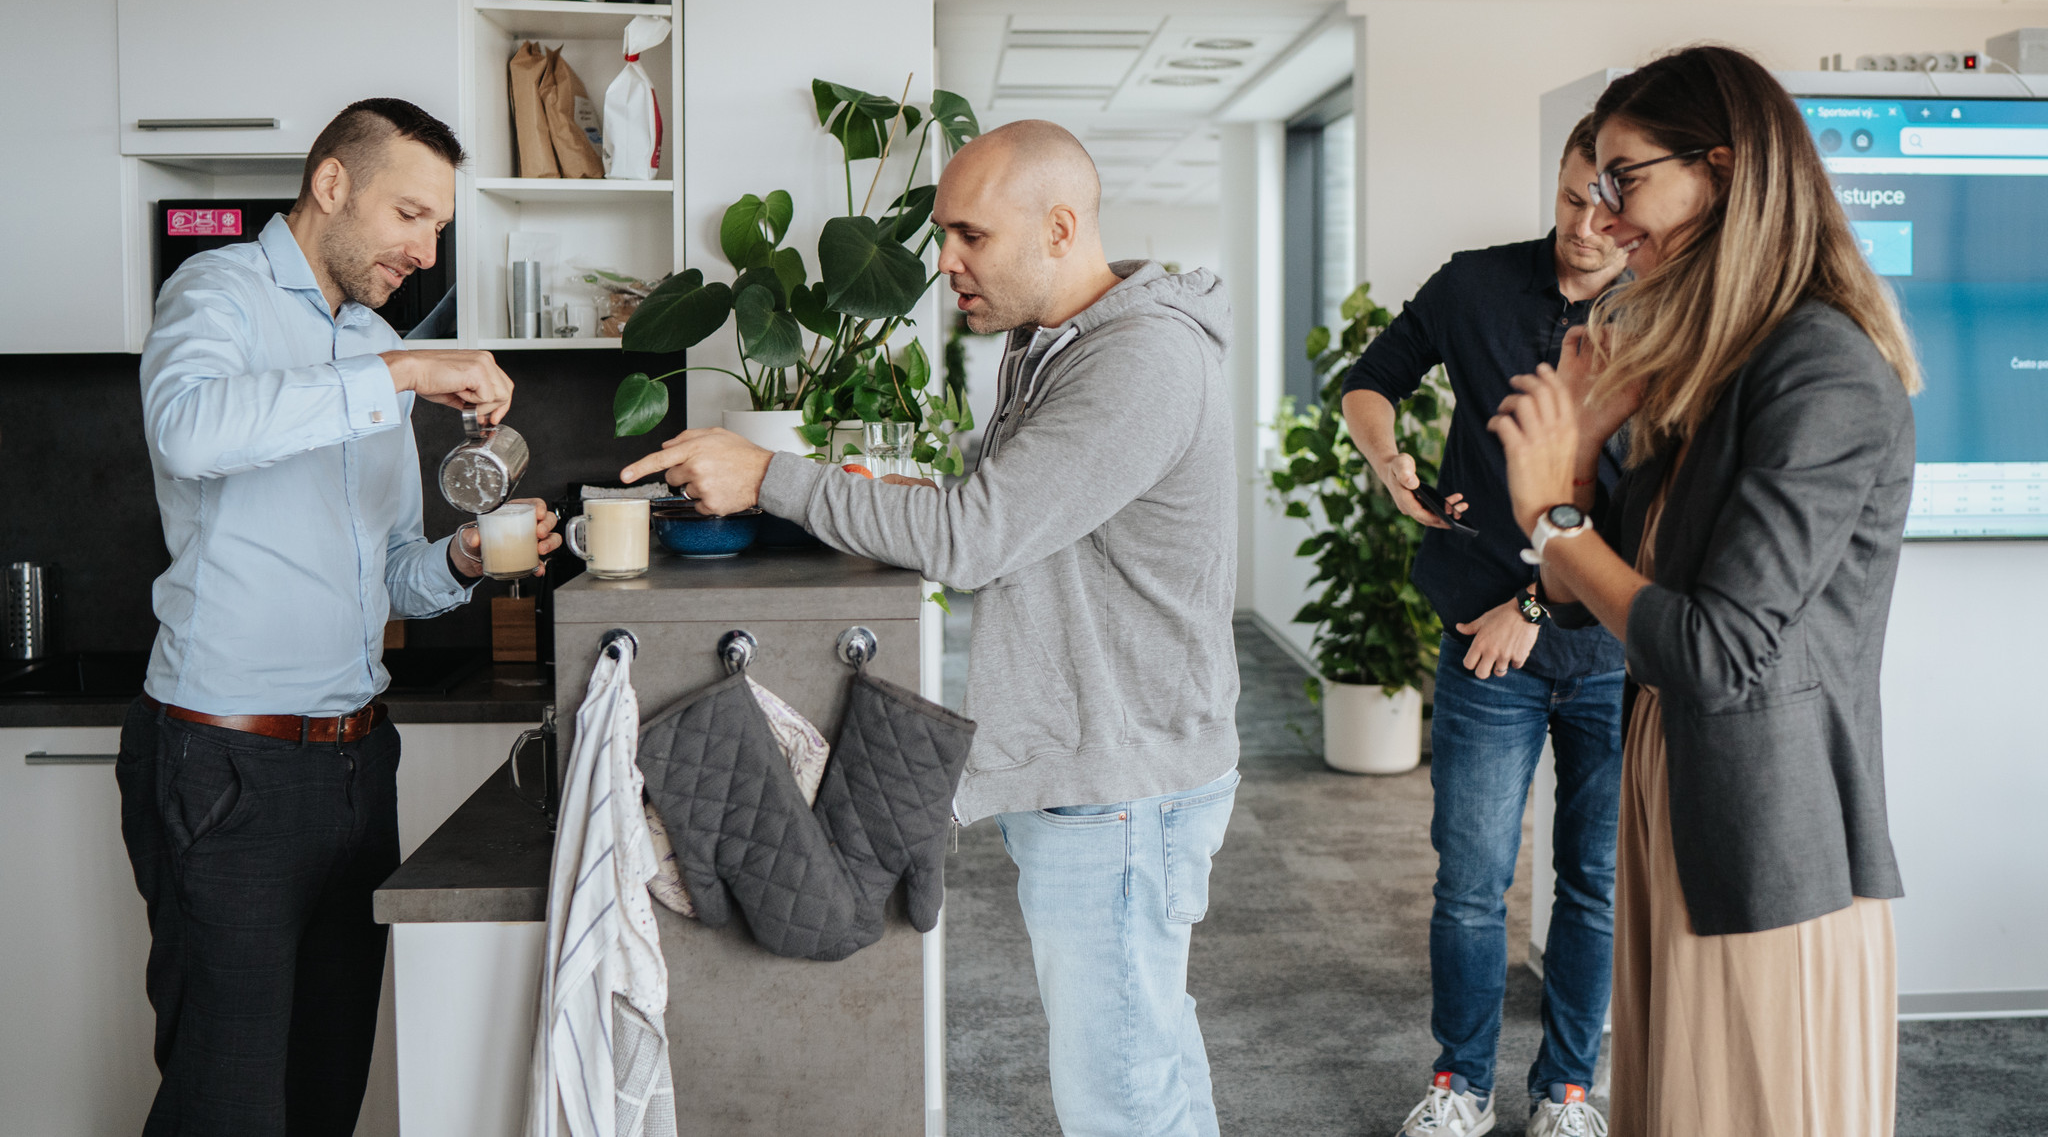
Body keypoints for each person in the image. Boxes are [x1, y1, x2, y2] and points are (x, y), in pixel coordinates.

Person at [618, 119, 1241, 1137]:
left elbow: (975, 536)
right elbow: (1013, 495)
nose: (944, 263)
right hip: (1107, 768)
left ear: (1058, 227)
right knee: (1147, 1056)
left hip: (1127, 784)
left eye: (969, 236)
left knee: (1119, 1093)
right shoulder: (1059, 348)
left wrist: (771, 473)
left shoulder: (1139, 363)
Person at [1489, 45, 1917, 1137]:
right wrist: (1579, 471)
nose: (1600, 215)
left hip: (1767, 828)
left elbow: (1713, 651)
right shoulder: (1716, 371)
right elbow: (1596, 599)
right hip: (1678, 786)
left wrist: (1552, 515)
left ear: (1720, 171)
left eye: (1623, 178)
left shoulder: (1819, 369)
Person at [120, 98, 560, 1135]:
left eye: (439, 227)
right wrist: (401, 373)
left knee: (324, 1096)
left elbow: (393, 577)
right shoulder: (216, 293)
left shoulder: (365, 342)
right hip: (227, 768)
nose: (426, 248)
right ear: (331, 186)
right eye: (411, 215)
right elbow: (188, 430)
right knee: (226, 1106)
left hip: (357, 766)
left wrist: (460, 556)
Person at [1342, 116, 1630, 1137]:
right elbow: (1369, 381)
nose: (1586, 227)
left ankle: (1564, 1089)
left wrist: (1532, 606)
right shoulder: (1473, 284)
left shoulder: (1673, 315)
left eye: (1610, 207)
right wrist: (1391, 465)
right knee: (1470, 881)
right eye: (1568, 200)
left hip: (1603, 643)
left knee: (1591, 883)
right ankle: (1459, 1081)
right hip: (1479, 633)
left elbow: (1648, 507)